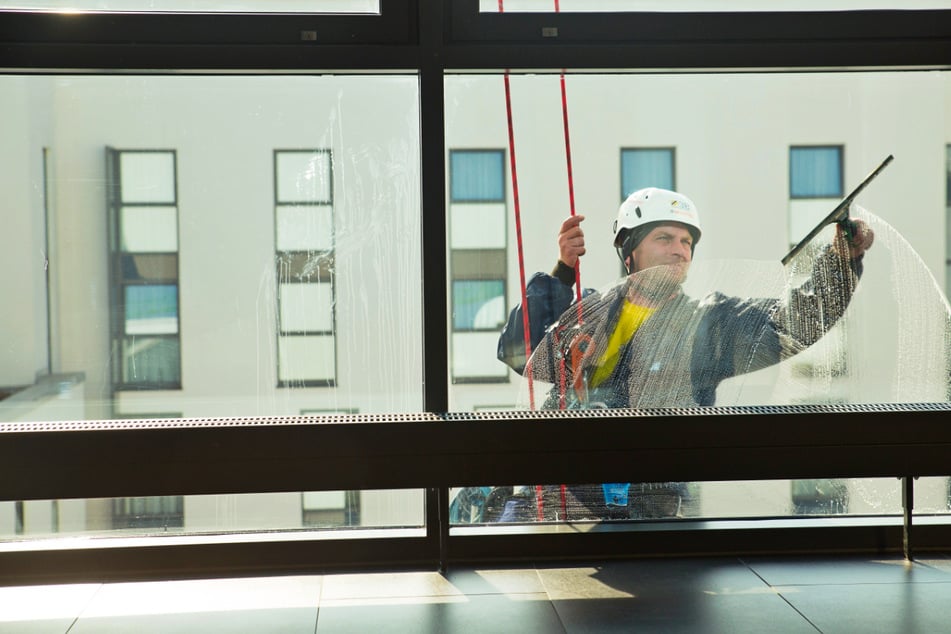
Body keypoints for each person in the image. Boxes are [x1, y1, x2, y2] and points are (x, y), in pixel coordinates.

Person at [496, 187, 874, 521]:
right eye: (664, 238)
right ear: (630, 251)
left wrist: (840, 262)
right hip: (561, 513)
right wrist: (562, 274)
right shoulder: (591, 314)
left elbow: (791, 325)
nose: (679, 251)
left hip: (652, 520)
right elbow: (520, 353)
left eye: (686, 243)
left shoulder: (708, 324)